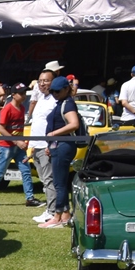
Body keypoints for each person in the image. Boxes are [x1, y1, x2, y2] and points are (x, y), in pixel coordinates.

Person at [0, 84, 42, 207]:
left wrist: (23, 141)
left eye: (25, 93)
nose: (24, 96)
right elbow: (1, 129)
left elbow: (19, 128)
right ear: (13, 95)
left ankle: (30, 198)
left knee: (26, 171)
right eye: (21, 93)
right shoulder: (7, 109)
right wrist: (16, 141)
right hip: (7, 146)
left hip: (18, 147)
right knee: (0, 172)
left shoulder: (22, 109)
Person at [39, 76, 82, 228]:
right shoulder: (62, 102)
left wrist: (54, 134)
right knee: (60, 182)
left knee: (59, 184)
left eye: (57, 91)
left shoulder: (68, 104)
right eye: (52, 91)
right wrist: (50, 144)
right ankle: (64, 214)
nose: (54, 93)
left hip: (63, 146)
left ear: (66, 89)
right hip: (58, 145)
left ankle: (57, 216)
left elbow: (74, 124)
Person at [27, 70, 59, 223]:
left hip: (46, 146)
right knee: (44, 180)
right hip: (37, 145)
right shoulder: (41, 99)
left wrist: (51, 145)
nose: (42, 83)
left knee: (49, 180)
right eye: (40, 81)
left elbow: (55, 124)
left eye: (46, 80)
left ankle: (53, 212)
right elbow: (37, 124)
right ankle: (50, 209)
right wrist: (32, 147)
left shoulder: (55, 100)